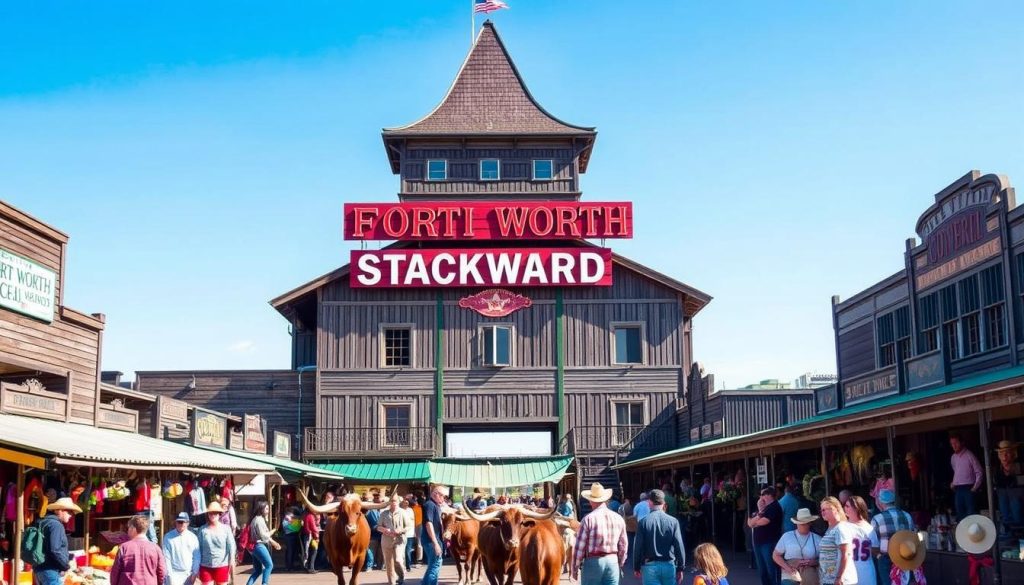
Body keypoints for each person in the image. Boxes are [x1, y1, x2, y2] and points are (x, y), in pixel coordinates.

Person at [571, 483, 628, 585]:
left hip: (593, 561)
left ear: (591, 500)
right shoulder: (618, 518)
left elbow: (579, 547)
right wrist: (620, 562)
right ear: (605, 500)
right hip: (612, 560)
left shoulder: (588, 519)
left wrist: (575, 568)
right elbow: (623, 545)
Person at [632, 489, 685, 585]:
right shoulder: (673, 522)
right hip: (669, 565)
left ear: (649, 502)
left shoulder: (643, 522)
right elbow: (679, 546)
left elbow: (638, 547)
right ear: (663, 503)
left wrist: (636, 567)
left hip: (649, 566)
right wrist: (680, 568)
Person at [33, 498, 82, 585]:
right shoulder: (56, 525)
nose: (71, 515)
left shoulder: (45, 522)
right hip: (49, 570)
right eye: (69, 512)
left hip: (40, 568)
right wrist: (65, 566)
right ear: (60, 510)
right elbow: (54, 550)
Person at [869, 490, 915, 585]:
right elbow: (913, 537)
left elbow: (873, 543)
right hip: (904, 557)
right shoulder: (907, 515)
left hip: (886, 558)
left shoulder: (877, 518)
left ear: (881, 503)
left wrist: (879, 557)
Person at [110, 515, 166, 585]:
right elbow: (162, 572)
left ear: (133, 529)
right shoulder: (156, 548)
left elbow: (115, 572)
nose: (128, 530)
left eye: (129, 527)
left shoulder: (124, 547)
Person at [772, 508, 821, 585]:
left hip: (810, 569)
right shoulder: (787, 536)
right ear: (796, 523)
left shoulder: (817, 538)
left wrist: (813, 562)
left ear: (810, 523)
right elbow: (776, 555)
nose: (804, 525)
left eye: (806, 523)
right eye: (802, 523)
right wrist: (788, 568)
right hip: (790, 568)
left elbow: (823, 559)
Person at [747, 487, 783, 585]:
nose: (760, 497)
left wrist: (755, 522)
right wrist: (760, 512)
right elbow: (749, 523)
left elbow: (764, 522)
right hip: (758, 543)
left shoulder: (774, 506)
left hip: (769, 542)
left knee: (771, 569)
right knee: (762, 570)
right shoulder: (762, 509)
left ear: (769, 495)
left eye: (762, 495)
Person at [817, 497, 855, 585]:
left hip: (840, 580)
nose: (822, 512)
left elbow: (846, 553)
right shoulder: (830, 529)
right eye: (821, 510)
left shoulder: (841, 528)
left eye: (825, 509)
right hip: (828, 579)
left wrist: (839, 577)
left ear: (835, 509)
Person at [197, 501, 236, 585]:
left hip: (222, 565)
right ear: (208, 514)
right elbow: (198, 549)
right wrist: (196, 566)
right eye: (210, 513)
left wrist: (232, 560)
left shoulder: (226, 529)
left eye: (215, 513)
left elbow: (231, 545)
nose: (213, 515)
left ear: (219, 514)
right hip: (205, 566)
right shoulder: (202, 530)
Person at [949, 432, 984, 520]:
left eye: (956, 443)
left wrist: (975, 487)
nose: (954, 446)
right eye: (952, 444)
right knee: (960, 514)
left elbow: (979, 471)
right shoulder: (953, 457)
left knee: (971, 515)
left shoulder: (969, 455)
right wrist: (954, 482)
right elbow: (956, 471)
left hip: (969, 487)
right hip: (958, 489)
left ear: (961, 442)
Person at [246, 501, 281, 585]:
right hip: (259, 546)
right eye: (266, 509)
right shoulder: (259, 520)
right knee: (269, 565)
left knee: (257, 570)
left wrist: (273, 530)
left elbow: (264, 534)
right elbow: (264, 536)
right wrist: (274, 543)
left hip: (254, 547)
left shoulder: (256, 519)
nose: (268, 511)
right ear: (261, 509)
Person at [843, 496, 876, 585]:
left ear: (856, 509)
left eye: (847, 506)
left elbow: (875, 551)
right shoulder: (869, 528)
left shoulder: (843, 527)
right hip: (854, 571)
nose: (844, 508)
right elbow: (875, 550)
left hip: (863, 571)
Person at [378, 494, 409, 585]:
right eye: (392, 501)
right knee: (388, 563)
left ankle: (401, 575)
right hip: (386, 541)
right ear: (389, 502)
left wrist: (400, 530)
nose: (394, 503)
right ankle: (391, 582)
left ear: (398, 502)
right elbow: (378, 527)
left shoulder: (403, 512)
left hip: (399, 540)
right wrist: (384, 530)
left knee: (398, 560)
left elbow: (408, 526)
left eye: (395, 501)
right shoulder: (384, 513)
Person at [163, 512, 200, 585]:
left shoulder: (193, 537)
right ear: (175, 522)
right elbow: (166, 557)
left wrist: (194, 573)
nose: (181, 524)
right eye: (179, 522)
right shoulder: (168, 537)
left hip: (188, 574)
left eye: (183, 522)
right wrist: (169, 576)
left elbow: (197, 557)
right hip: (173, 573)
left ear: (188, 523)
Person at [421, 485, 447, 585]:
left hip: (433, 540)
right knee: (435, 565)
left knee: (434, 565)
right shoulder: (430, 505)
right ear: (436, 494)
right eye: (443, 496)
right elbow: (428, 523)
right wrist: (435, 543)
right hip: (431, 541)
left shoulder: (435, 505)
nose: (444, 499)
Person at [993, 440, 1022, 529]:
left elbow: (1019, 484)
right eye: (1001, 454)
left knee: (1017, 514)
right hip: (1003, 497)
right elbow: (997, 484)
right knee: (1005, 515)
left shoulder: (1019, 466)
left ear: (1013, 454)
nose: (1004, 456)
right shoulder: (997, 469)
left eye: (1007, 453)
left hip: (1017, 498)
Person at [280, 508, 301, 572]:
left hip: (288, 535)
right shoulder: (290, 517)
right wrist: (296, 522)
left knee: (289, 551)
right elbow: (295, 528)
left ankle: (288, 566)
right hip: (291, 535)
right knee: (291, 552)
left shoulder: (288, 517)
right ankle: (290, 567)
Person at [301, 506, 320, 573]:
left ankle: (309, 567)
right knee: (314, 551)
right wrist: (317, 537)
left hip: (307, 535)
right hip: (311, 536)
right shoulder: (310, 516)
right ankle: (311, 568)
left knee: (308, 551)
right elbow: (313, 528)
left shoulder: (306, 515)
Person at [399, 499, 416, 572]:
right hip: (401, 534)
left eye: (407, 503)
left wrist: (414, 532)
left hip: (409, 534)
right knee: (401, 551)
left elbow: (412, 521)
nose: (406, 504)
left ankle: (408, 566)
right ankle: (402, 566)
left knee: (407, 551)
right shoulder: (399, 511)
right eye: (404, 503)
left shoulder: (410, 510)